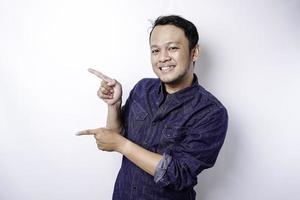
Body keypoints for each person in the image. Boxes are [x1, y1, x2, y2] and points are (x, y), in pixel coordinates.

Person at [77, 15, 228, 200]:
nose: (163, 58)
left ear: (194, 52)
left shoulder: (211, 112)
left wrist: (122, 146)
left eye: (172, 48)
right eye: (155, 50)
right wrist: (114, 105)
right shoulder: (143, 89)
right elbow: (117, 133)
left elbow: (179, 175)